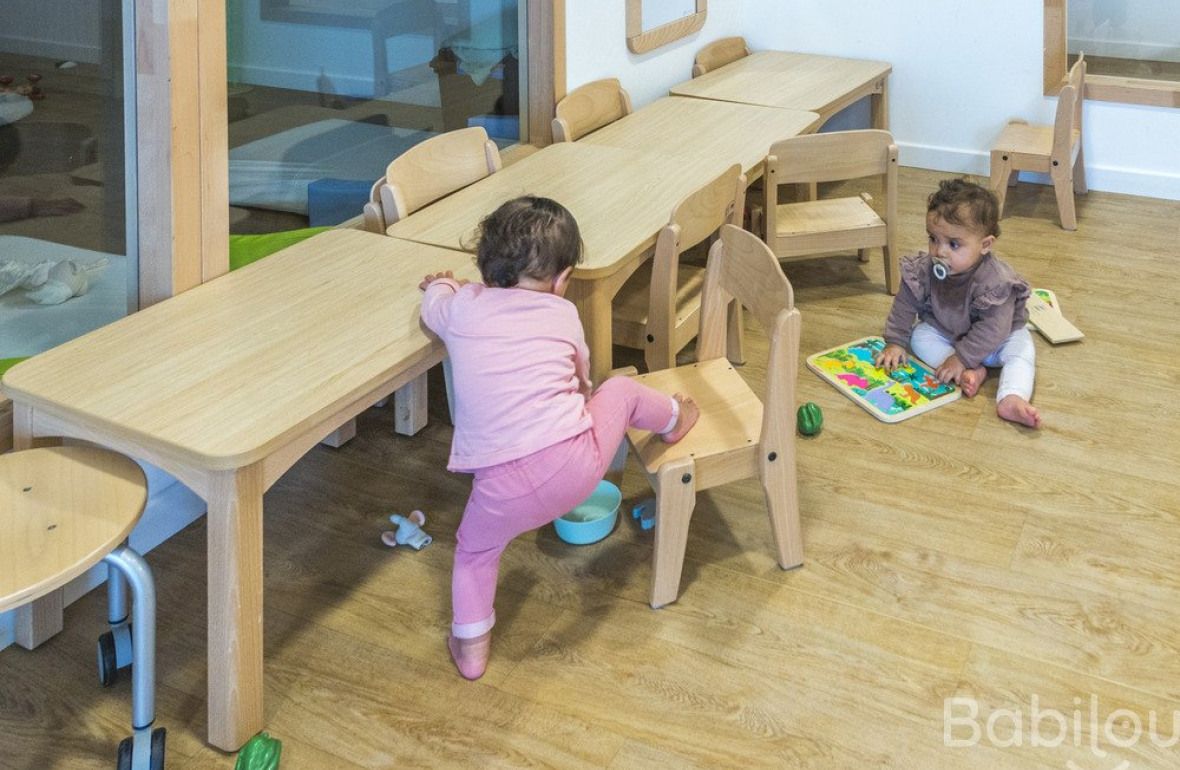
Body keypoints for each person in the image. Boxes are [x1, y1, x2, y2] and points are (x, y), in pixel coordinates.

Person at [419, 196, 699, 680]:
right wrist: (587, 411)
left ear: (485, 267)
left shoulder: (462, 308)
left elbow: (432, 307)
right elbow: (583, 381)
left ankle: (471, 651)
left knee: (473, 555)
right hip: (575, 467)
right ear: (563, 278)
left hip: (498, 489)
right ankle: (674, 418)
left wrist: (441, 283)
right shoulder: (562, 315)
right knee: (621, 390)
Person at [875, 178, 1040, 428]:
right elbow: (905, 303)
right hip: (950, 332)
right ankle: (968, 374)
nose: (940, 251)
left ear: (985, 245)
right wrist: (895, 341)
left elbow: (994, 328)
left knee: (1022, 352)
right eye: (933, 238)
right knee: (920, 337)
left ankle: (1011, 397)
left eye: (953, 244)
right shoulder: (924, 269)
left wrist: (962, 357)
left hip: (999, 339)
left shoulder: (995, 281)